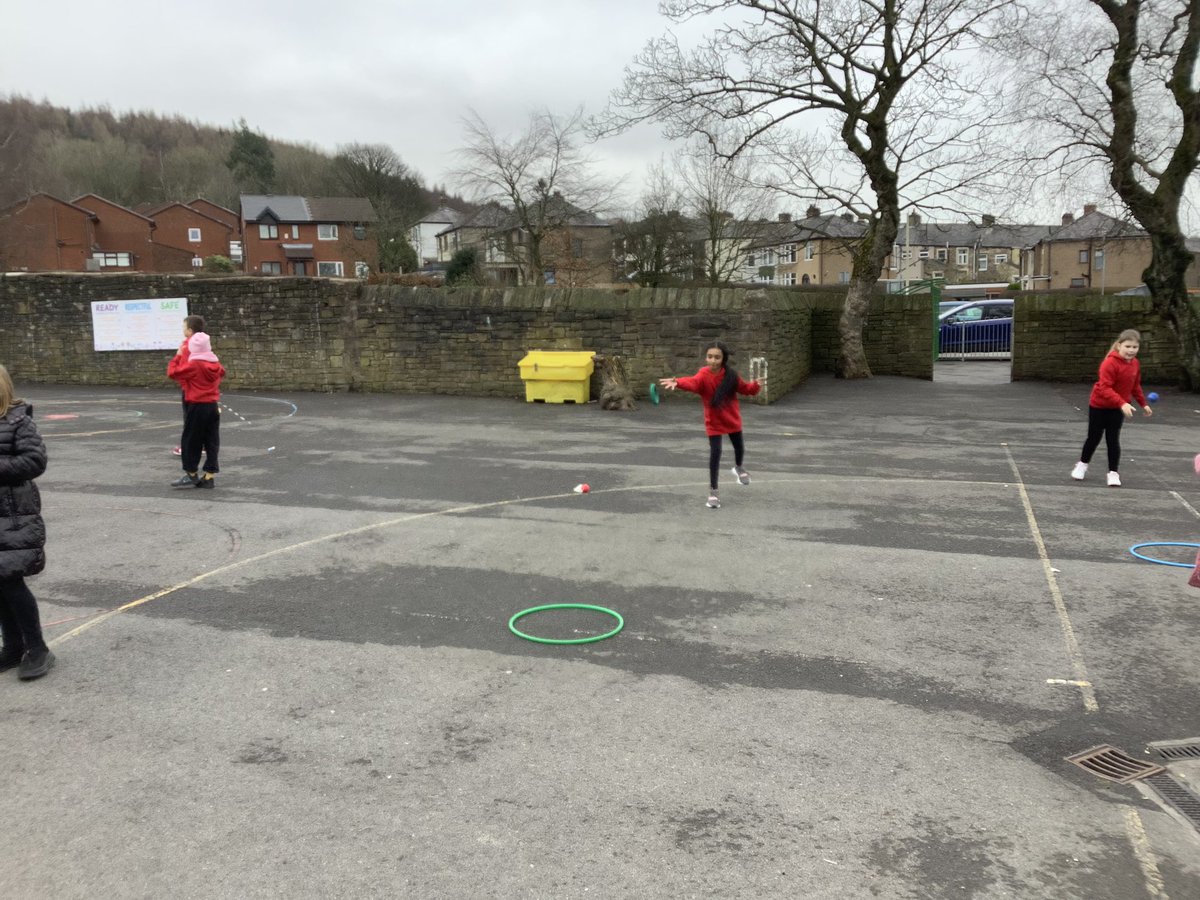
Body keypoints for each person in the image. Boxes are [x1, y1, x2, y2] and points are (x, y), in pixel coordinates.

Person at [660, 341, 762, 508]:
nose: (713, 360)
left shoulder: (731, 376)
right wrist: (677, 382)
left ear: (723, 359)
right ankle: (713, 492)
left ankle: (739, 468)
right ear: (706, 358)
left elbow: (746, 389)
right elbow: (693, 382)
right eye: (710, 357)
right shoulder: (703, 375)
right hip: (713, 422)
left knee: (740, 447)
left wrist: (756, 385)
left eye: (717, 357)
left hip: (732, 419)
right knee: (716, 454)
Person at [0, 364, 54, 680]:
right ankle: (12, 646)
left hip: (13, 517)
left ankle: (37, 648)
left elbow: (35, 461)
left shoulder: (19, 421)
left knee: (10, 581)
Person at [1071, 328, 1152, 487]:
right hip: (1099, 405)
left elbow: (1135, 386)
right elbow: (1104, 388)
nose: (1131, 350)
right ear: (1119, 345)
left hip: (1118, 408)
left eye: (1135, 347)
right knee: (1094, 437)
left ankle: (1113, 473)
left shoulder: (1135, 364)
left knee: (1113, 439)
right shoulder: (1109, 363)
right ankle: (1082, 464)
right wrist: (1122, 403)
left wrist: (1144, 404)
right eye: (1127, 346)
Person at [168, 328, 226, 488]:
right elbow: (222, 373)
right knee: (211, 440)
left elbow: (173, 373)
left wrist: (178, 355)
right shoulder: (215, 363)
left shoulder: (194, 365)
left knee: (191, 440)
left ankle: (191, 473)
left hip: (197, 406)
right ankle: (209, 476)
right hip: (212, 405)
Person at [171, 315, 206, 456]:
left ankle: (189, 447)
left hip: (191, 388)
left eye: (184, 327)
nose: (182, 330)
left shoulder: (188, 346)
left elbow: (183, 369)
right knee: (199, 418)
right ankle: (202, 445)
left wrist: (178, 356)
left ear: (190, 330)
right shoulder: (203, 343)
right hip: (202, 387)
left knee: (190, 418)